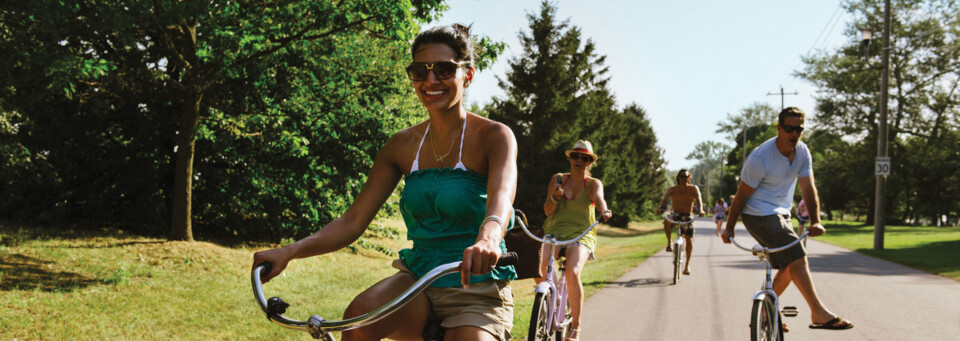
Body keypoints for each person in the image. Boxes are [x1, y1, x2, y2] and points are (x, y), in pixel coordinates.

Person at [252, 24, 520, 341]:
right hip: (418, 278)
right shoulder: (401, 146)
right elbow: (353, 220)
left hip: (475, 285)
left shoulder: (494, 136)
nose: (431, 80)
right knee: (357, 321)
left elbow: (502, 196)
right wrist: (289, 252)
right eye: (420, 71)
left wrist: (488, 238)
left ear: (468, 75)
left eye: (445, 70)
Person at [722, 107, 854, 331]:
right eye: (790, 129)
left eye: (799, 129)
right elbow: (741, 196)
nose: (794, 134)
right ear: (779, 128)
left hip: (782, 214)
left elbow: (808, 189)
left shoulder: (802, 153)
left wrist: (815, 221)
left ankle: (766, 311)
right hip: (757, 214)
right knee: (797, 258)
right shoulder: (760, 158)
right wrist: (729, 228)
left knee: (791, 265)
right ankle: (818, 312)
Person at [539, 140, 612, 341]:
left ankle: (576, 327)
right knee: (538, 265)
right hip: (554, 231)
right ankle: (550, 297)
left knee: (572, 271)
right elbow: (547, 211)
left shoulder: (593, 183)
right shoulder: (558, 179)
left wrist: (604, 210)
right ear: (570, 158)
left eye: (584, 158)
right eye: (575, 156)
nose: (579, 160)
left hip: (581, 233)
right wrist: (555, 197)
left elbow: (599, 199)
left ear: (590, 162)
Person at [656, 169, 705, 275]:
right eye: (681, 176)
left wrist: (701, 209)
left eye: (686, 177)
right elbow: (665, 199)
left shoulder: (693, 189)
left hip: (687, 216)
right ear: (678, 177)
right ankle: (669, 242)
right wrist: (660, 208)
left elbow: (699, 199)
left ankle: (687, 265)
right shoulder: (672, 189)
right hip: (676, 214)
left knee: (689, 239)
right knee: (667, 221)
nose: (683, 179)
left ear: (689, 178)